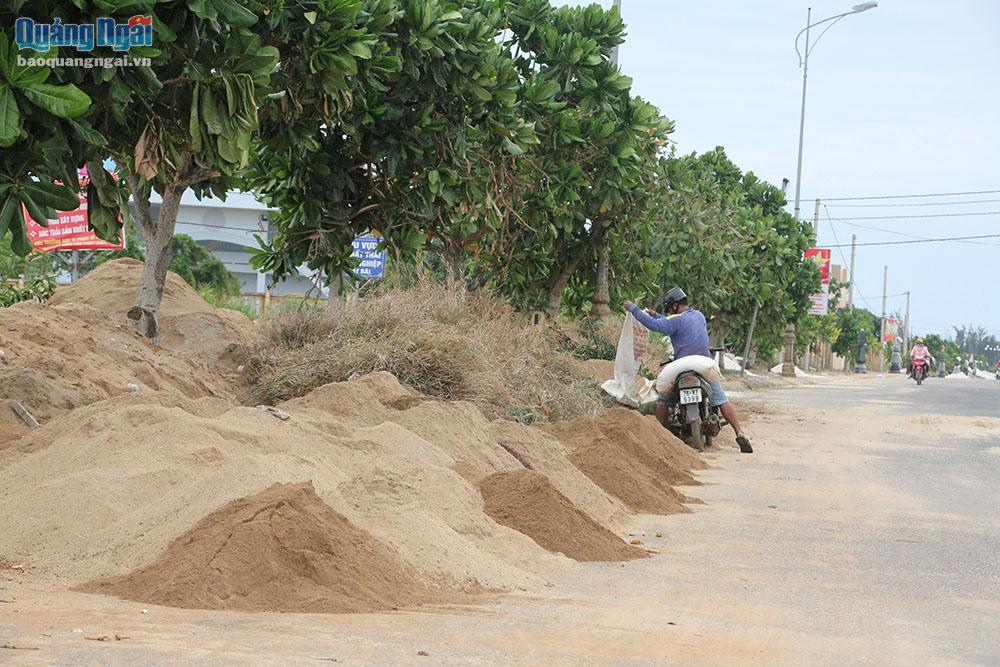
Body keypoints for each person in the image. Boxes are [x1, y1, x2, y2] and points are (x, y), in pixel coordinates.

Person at [624, 287, 753, 454]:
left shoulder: (675, 321)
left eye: (670, 307)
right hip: (704, 365)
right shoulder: (699, 316)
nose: (670, 311)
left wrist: (633, 308)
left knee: (664, 399)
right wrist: (656, 315)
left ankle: (661, 435)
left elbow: (657, 325)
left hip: (682, 366)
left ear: (675, 305)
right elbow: (673, 323)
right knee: (720, 399)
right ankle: (740, 432)